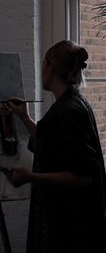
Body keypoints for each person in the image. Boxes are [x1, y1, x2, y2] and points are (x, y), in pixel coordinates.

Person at [6, 40, 106, 253]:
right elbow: (48, 142)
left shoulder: (70, 111)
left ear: (51, 67)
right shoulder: (68, 103)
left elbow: (84, 176)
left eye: (44, 63)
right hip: (64, 220)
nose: (41, 68)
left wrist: (29, 177)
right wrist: (24, 117)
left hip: (70, 226)